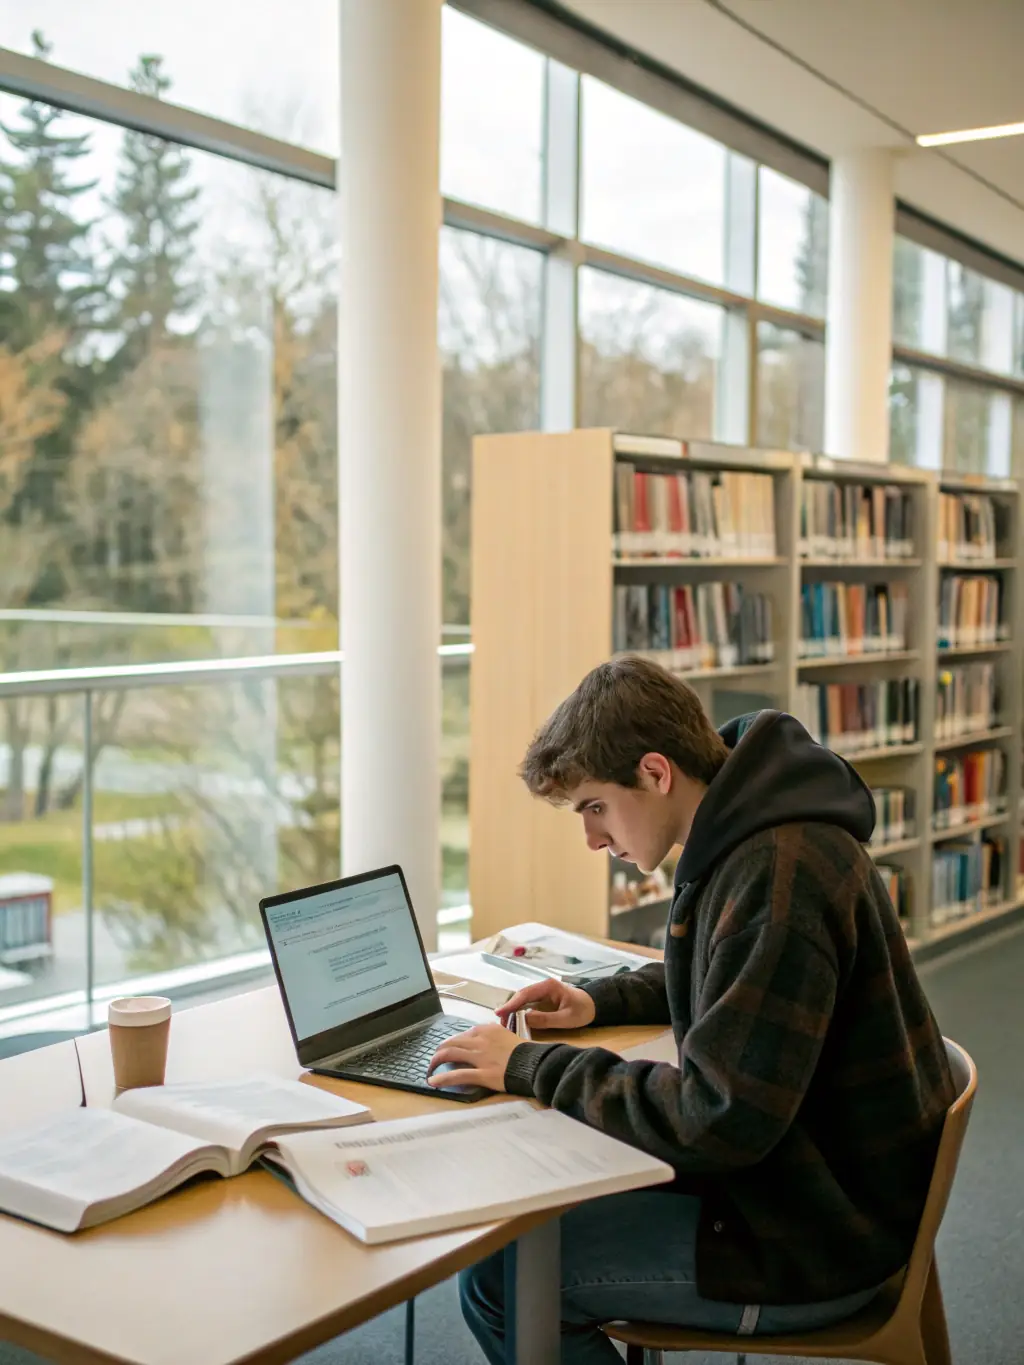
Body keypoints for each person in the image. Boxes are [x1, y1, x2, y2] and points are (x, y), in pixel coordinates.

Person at [428, 655, 955, 1365]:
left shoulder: (776, 881)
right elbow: (734, 977)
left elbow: (716, 1118)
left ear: (654, 772)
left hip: (813, 1237)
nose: (592, 838)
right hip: (819, 1182)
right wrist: (597, 999)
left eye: (594, 806)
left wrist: (529, 1063)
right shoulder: (753, 826)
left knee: (504, 1280)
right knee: (537, 1229)